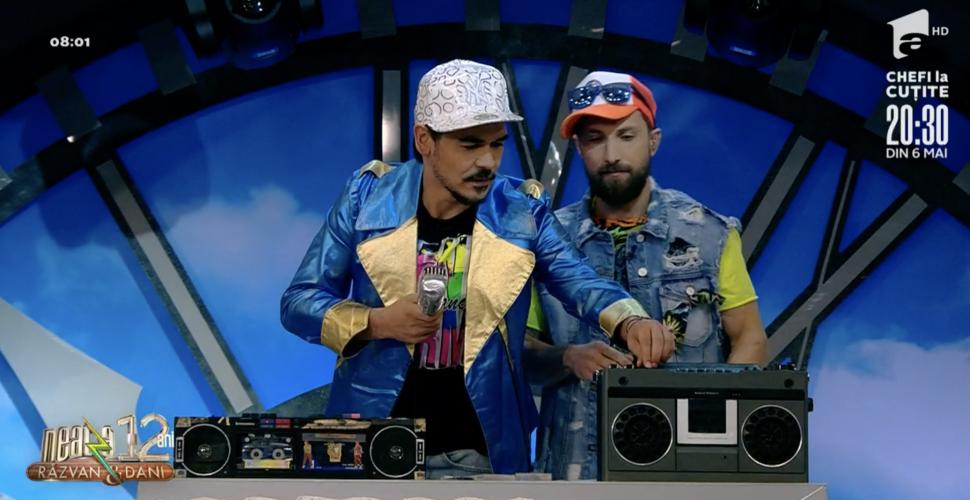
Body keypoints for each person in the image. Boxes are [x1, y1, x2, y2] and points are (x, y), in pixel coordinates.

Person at [280, 60, 676, 478]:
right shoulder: (367, 197)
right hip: (371, 448)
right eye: (470, 145)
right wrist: (375, 323)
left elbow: (580, 281)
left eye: (497, 144)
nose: (488, 161)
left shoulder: (523, 211)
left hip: (479, 454)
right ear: (424, 140)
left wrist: (630, 321)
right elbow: (299, 302)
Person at [526, 71, 769, 480]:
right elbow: (521, 352)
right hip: (575, 476)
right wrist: (567, 357)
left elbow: (751, 339)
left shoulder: (710, 234)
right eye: (594, 139)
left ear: (653, 141)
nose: (611, 154)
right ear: (578, 147)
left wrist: (711, 425)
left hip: (687, 476)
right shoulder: (547, 240)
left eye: (626, 136)